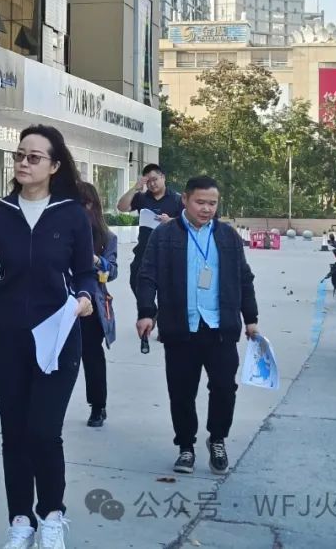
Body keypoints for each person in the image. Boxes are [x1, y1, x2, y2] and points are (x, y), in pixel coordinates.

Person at [0, 125, 97, 549]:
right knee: (13, 432)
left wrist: (85, 296)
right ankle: (20, 520)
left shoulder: (71, 214)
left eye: (34, 157)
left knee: (44, 431)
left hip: (58, 337)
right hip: (8, 337)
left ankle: (51, 515)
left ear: (54, 166)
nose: (23, 163)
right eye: (19, 155)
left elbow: (85, 271)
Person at [136, 176, 259, 477]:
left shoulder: (228, 236)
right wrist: (146, 312)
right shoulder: (165, 235)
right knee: (181, 392)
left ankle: (217, 439)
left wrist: (251, 319)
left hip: (220, 327)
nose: (206, 209)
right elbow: (147, 275)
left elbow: (244, 279)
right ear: (185, 200)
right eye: (200, 202)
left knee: (224, 388)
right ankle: (185, 446)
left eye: (212, 203)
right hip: (181, 327)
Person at [73, 181, 118, 428]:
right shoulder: (59, 230)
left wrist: (97, 261)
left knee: (91, 355)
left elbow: (113, 272)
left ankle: (98, 405)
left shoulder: (106, 237)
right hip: (60, 301)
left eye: (79, 204)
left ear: (91, 205)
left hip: (92, 304)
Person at [117, 164, 184, 296]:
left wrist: (171, 221)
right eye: (148, 181)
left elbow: (189, 223)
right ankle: (148, 309)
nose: (152, 184)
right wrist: (134, 188)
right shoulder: (141, 198)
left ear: (163, 177)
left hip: (168, 254)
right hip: (144, 253)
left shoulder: (177, 199)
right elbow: (122, 207)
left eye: (155, 179)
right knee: (137, 285)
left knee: (168, 295)